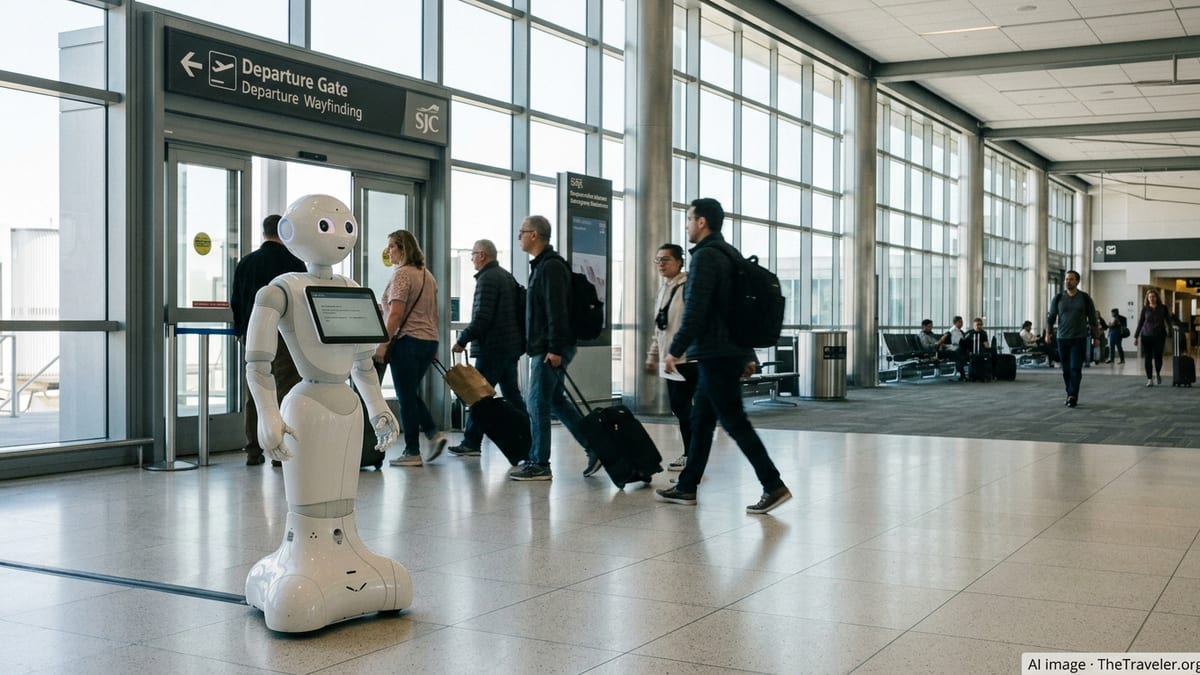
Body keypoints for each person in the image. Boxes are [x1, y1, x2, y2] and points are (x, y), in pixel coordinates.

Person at [656, 198, 791, 515]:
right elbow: (735, 312)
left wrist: (674, 349)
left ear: (701, 222)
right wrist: (745, 353)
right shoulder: (729, 254)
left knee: (735, 422)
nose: (687, 225)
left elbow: (697, 311)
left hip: (715, 353)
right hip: (723, 352)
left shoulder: (706, 258)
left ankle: (773, 484)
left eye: (689, 219)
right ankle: (688, 486)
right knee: (702, 421)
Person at [510, 215, 598, 481]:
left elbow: (556, 310)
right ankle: (594, 446)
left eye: (522, 232)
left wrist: (556, 348)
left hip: (550, 348)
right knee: (556, 401)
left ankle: (539, 463)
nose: (519, 237)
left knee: (536, 402)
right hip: (546, 346)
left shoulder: (550, 267)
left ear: (534, 235)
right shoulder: (542, 266)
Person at [230, 214, 306, 466]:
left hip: (253, 334)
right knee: (286, 389)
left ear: (263, 233)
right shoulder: (295, 263)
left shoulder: (246, 263)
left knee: (256, 392)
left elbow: (237, 302)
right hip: (285, 337)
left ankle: (253, 450)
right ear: (284, 233)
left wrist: (241, 332)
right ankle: (280, 451)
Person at [373, 230, 448, 466]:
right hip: (428, 341)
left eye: (391, 247)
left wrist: (382, 345)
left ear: (403, 249)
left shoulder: (402, 275)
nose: (389, 252)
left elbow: (396, 314)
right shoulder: (427, 275)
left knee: (405, 396)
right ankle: (433, 435)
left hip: (407, 341)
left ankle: (413, 451)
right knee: (409, 393)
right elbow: (433, 312)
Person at [448, 239, 528, 456]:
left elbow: (483, 317)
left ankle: (471, 442)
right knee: (512, 394)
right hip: (509, 346)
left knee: (479, 396)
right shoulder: (505, 276)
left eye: (473, 253)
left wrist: (462, 340)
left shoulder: (487, 279)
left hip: (493, 347)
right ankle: (531, 435)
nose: (472, 257)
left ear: (482, 255)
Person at [645, 244, 697, 473]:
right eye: (658, 260)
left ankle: (692, 455)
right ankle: (690, 454)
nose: (661, 264)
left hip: (687, 360)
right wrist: (652, 355)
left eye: (666, 259)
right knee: (680, 408)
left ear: (679, 262)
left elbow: (690, 324)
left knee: (685, 409)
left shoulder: (687, 287)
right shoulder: (662, 290)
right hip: (670, 361)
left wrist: (675, 353)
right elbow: (659, 328)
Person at [1046, 270, 1101, 408]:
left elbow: (1093, 320)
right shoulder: (1058, 298)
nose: (1067, 281)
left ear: (1077, 281)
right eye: (1066, 279)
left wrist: (1096, 338)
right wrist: (1048, 333)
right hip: (1062, 338)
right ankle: (1069, 393)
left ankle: (1072, 395)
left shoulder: (1084, 298)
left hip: (1079, 338)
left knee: (1075, 367)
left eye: (1071, 279)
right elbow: (1051, 318)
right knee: (1066, 369)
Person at [1134, 288, 1173, 387]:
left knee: (1158, 357)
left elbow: (1168, 320)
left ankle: (1158, 373)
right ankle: (1149, 379)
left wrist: (1172, 329)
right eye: (1150, 297)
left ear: (1157, 297)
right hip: (1146, 335)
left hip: (1159, 336)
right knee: (1148, 358)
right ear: (1147, 298)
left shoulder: (1163, 308)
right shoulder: (1145, 309)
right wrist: (1136, 336)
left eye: (1153, 296)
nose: (1151, 298)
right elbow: (1141, 322)